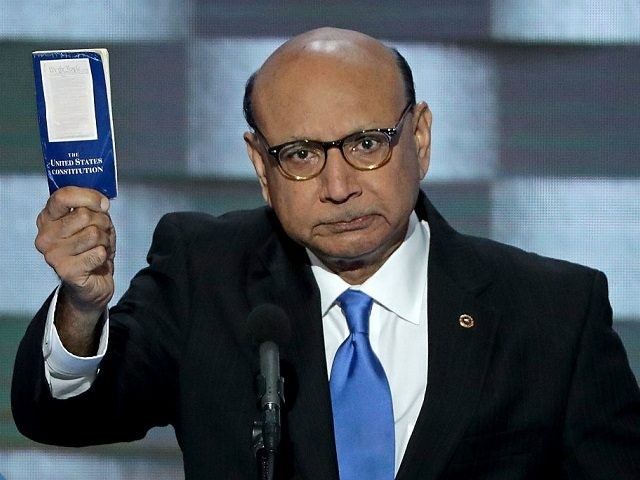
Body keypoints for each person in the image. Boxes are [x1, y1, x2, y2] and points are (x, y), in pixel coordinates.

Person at [12, 27, 640, 479]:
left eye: (367, 143)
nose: (339, 188)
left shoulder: (554, 311)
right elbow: (65, 418)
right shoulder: (206, 272)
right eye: (302, 155)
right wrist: (83, 309)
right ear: (262, 166)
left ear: (419, 135)